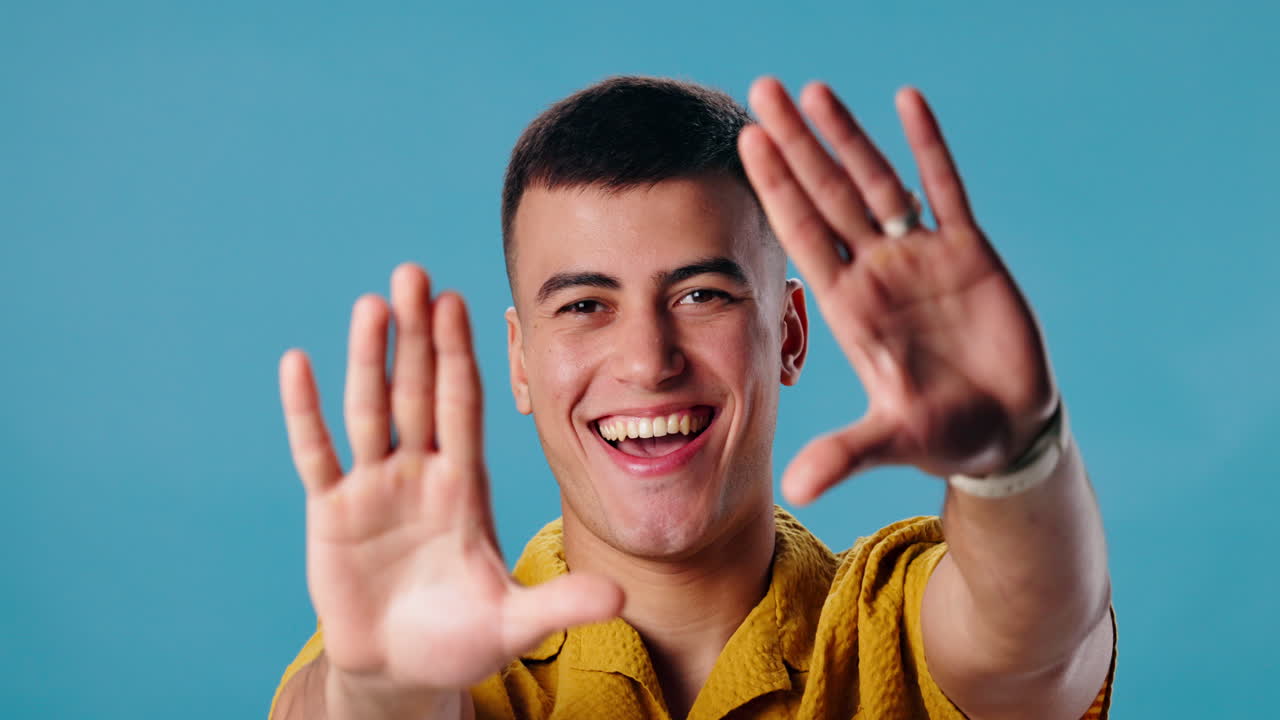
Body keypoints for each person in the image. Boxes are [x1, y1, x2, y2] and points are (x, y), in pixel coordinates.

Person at [269, 75, 1117, 720]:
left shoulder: (889, 627)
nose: (648, 362)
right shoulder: (426, 647)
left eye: (701, 295)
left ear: (789, 334)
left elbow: (1039, 637)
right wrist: (379, 688)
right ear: (520, 362)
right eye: (585, 306)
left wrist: (1018, 455)